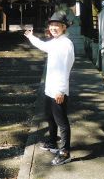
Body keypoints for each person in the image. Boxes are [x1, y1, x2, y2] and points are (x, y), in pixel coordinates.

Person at [24, 10, 75, 166]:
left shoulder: (66, 44)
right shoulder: (55, 42)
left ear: (64, 27)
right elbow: (43, 45)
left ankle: (65, 152)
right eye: (52, 25)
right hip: (50, 88)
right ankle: (53, 142)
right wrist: (31, 37)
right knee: (49, 116)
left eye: (57, 25)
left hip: (58, 90)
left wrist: (60, 90)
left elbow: (65, 68)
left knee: (61, 121)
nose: (53, 28)